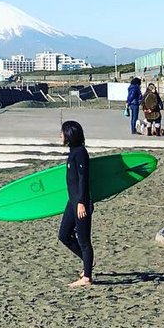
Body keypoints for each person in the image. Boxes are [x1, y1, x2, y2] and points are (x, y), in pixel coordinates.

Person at [58, 119, 93, 288]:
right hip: (72, 202)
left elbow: (83, 180)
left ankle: (87, 277)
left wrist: (81, 203)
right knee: (64, 235)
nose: (60, 135)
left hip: (81, 203)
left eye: (62, 132)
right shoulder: (73, 151)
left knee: (84, 240)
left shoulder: (80, 153)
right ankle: (87, 263)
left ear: (70, 134)